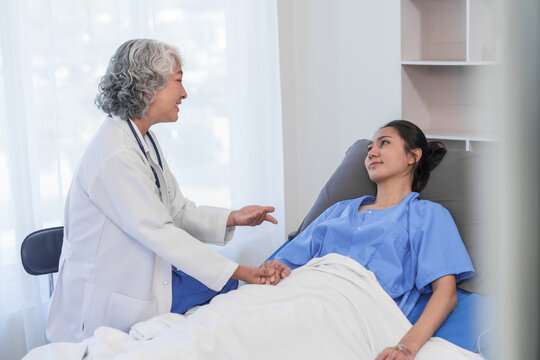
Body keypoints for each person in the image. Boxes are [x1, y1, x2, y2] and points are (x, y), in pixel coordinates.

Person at [46, 39, 283, 343]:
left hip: (147, 283)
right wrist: (239, 271)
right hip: (102, 309)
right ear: (147, 85)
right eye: (178, 81)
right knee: (239, 286)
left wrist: (233, 218)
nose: (184, 93)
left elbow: (177, 210)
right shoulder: (115, 154)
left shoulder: (143, 140)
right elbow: (161, 232)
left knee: (240, 290)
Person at [264, 120, 475, 359]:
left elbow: (446, 294)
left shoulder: (427, 215)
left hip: (352, 311)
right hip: (299, 294)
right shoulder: (338, 211)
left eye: (384, 143)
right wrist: (275, 268)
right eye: (369, 149)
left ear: (413, 156)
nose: (372, 152)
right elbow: (285, 264)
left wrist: (406, 347)